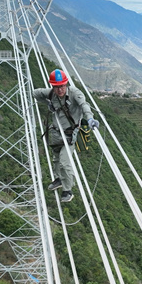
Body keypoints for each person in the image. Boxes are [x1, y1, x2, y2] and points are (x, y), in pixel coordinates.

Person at [32, 69, 99, 203]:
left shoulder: (75, 93)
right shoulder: (51, 93)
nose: (60, 90)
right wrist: (48, 103)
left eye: (62, 86)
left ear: (66, 84)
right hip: (56, 133)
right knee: (56, 159)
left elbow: (84, 105)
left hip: (69, 134)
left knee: (64, 162)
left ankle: (67, 190)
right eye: (56, 87)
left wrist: (90, 118)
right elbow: (35, 93)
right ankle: (58, 179)